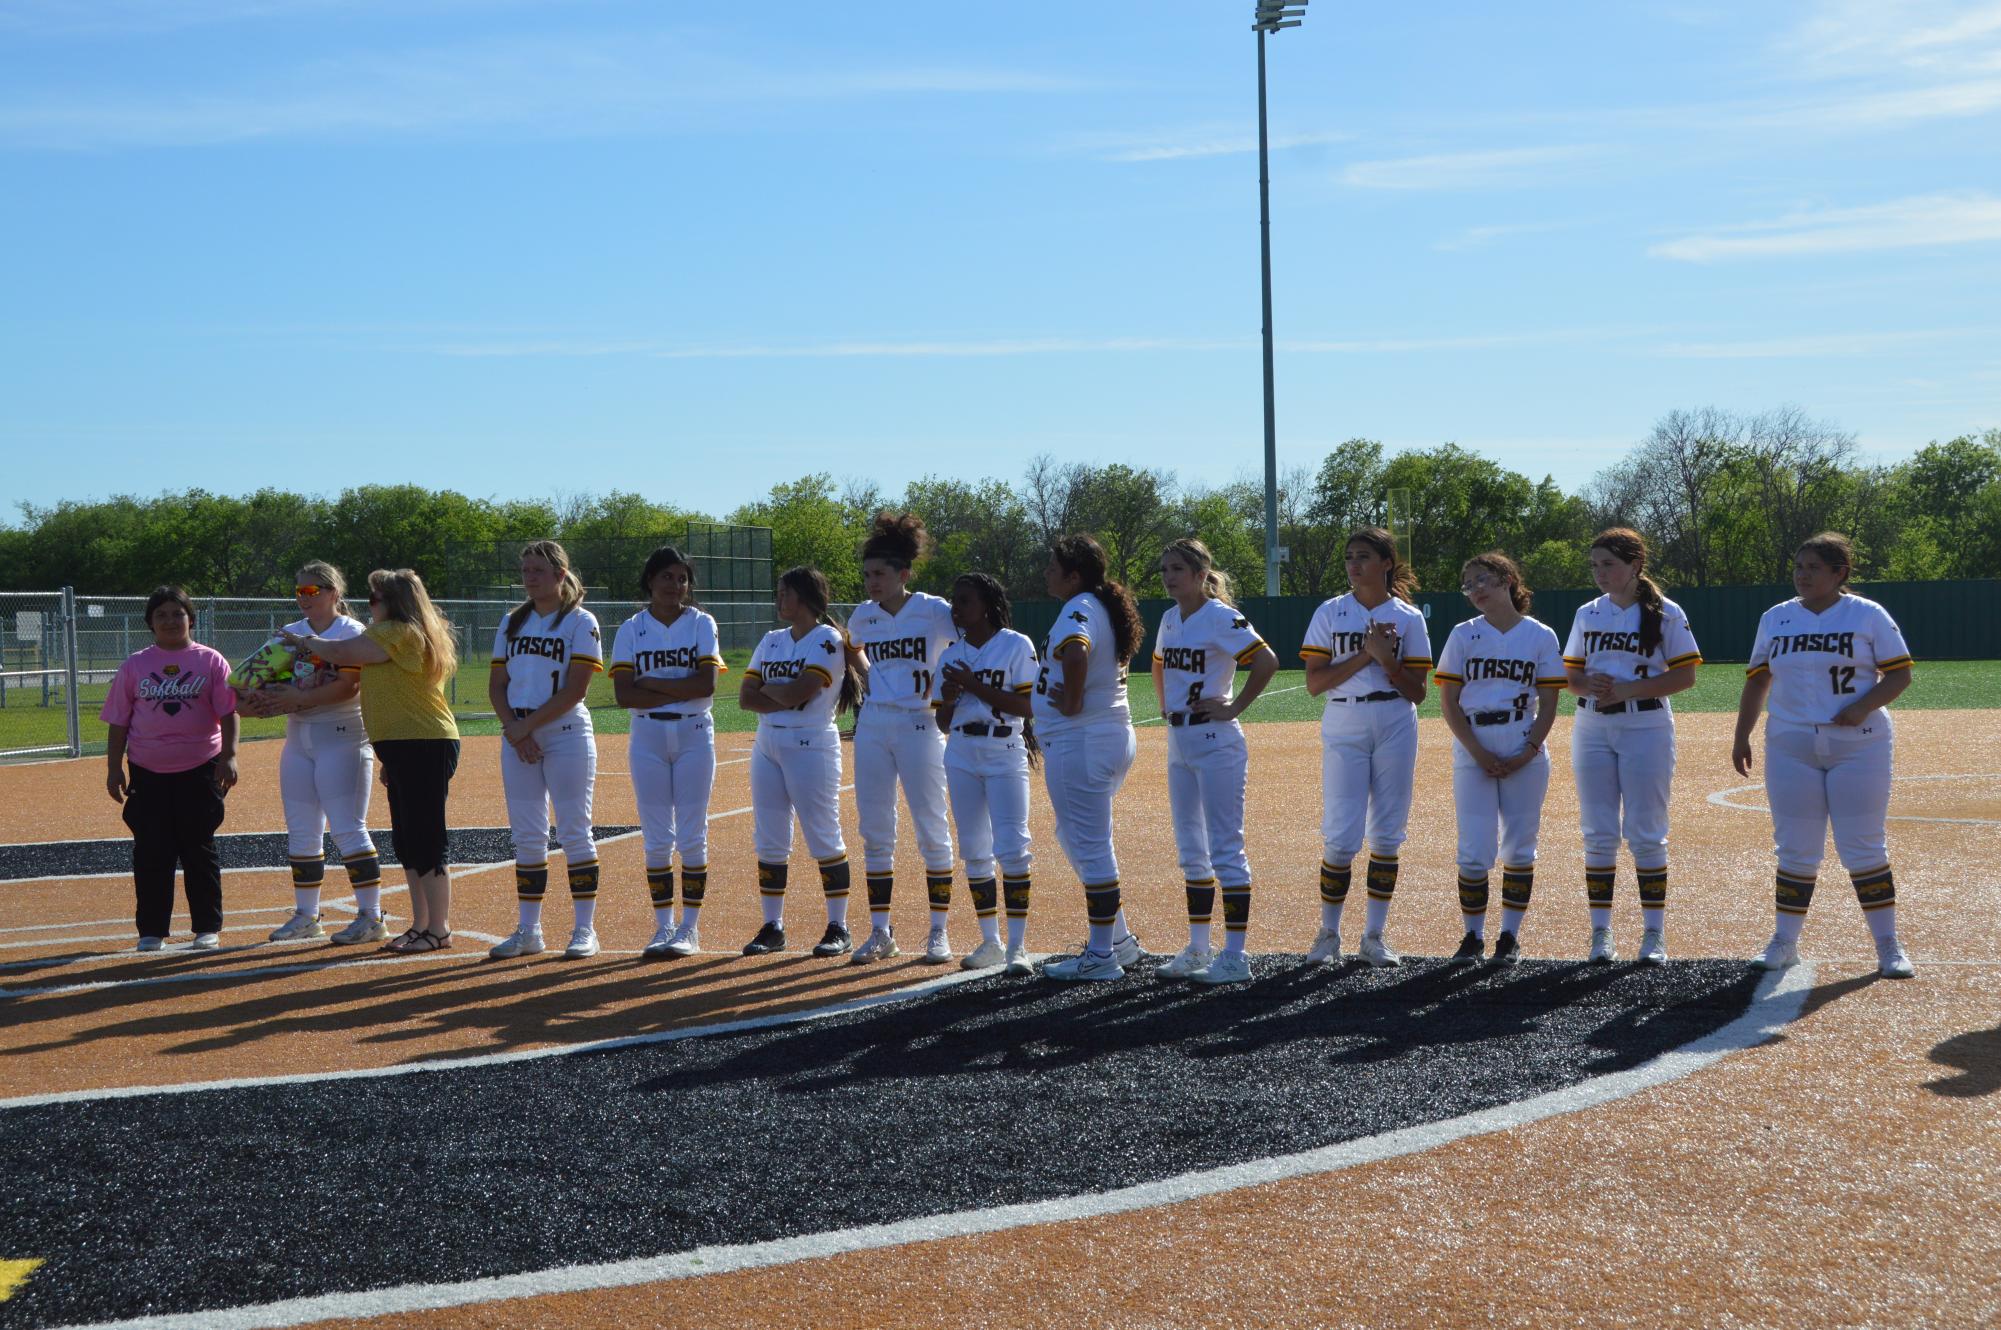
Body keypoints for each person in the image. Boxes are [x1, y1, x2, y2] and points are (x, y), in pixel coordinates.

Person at [1733, 532, 1915, 978]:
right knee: (1795, 849)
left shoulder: (1866, 614)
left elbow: (1899, 675)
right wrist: (1742, 735)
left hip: (1859, 744)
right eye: (1799, 566)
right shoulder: (1776, 618)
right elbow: (1758, 681)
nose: (1803, 574)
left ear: (1840, 573)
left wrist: (1861, 706)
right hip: (1791, 743)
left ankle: (1888, 945)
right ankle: (1784, 941)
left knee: (1864, 845)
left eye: (1814, 567)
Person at [281, 569, 459, 954]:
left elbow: (342, 653)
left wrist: (303, 640)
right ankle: (421, 925)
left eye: (374, 599)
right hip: (403, 745)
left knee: (426, 839)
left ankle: (438, 928)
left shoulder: (396, 631)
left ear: (393, 603)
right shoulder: (394, 632)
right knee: (408, 840)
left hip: (423, 742)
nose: (369, 605)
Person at [1563, 529, 1701, 965]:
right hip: (1591, 726)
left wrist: (1628, 689)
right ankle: (1601, 934)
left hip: (1646, 725)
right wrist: (1587, 683)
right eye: (1595, 565)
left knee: (1646, 830)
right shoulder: (1588, 613)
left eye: (1609, 564)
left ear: (1636, 565)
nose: (1601, 573)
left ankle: (1653, 933)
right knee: (1599, 831)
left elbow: (1685, 676)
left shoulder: (1665, 612)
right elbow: (1570, 678)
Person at [1297, 528, 1431, 968]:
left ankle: (1374, 935)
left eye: (1364, 556)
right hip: (1344, 717)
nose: (1354, 564)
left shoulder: (1408, 617)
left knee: (1389, 832)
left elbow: (1418, 692)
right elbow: (1315, 683)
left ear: (1386, 563)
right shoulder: (1330, 612)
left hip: (1395, 718)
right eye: (1350, 557)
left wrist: (1388, 660)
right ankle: (1328, 933)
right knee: (1340, 834)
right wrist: (1367, 655)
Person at [1151, 538, 1279, 985]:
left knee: (1226, 847)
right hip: (1179, 739)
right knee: (1191, 849)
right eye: (1165, 569)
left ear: (1202, 574)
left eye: (1178, 569)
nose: (1169, 577)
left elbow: (1266, 661)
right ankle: (1198, 947)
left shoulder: (1221, 616)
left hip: (1215, 739)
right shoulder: (1170, 618)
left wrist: (1234, 706)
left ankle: (1236, 956)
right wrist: (1166, 703)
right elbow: (1158, 663)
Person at [237, 562, 387, 945]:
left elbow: (347, 688)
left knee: (348, 828)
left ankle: (371, 916)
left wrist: (296, 697)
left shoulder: (351, 632)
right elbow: (250, 680)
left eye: (312, 591)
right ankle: (307, 915)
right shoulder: (291, 633)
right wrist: (252, 700)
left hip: (342, 736)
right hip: (299, 737)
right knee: (302, 832)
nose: (303, 598)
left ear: (334, 593)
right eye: (299, 591)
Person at [1434, 552, 1568, 965]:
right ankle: (1472, 936)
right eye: (1468, 584)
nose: (1474, 590)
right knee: (1474, 848)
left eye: (1482, 581)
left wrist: (1527, 751)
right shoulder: (1462, 634)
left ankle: (1509, 936)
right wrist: (1477, 751)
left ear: (1508, 580)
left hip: (1522, 737)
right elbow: (1449, 701)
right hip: (1473, 739)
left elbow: (1549, 703)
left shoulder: (1540, 635)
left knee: (1520, 847)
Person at [843, 513, 960, 964]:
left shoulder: (932, 609)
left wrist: (946, 678)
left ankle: (938, 931)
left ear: (903, 575)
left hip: (920, 726)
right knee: (875, 830)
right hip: (873, 725)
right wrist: (868, 676)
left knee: (932, 828)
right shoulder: (864, 616)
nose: (871, 581)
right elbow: (852, 645)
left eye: (880, 574)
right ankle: (879, 931)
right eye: (867, 574)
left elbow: (970, 640)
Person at [102, 586, 239, 952]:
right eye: (161, 615)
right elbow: (118, 722)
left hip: (201, 768)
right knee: (151, 851)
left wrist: (229, 755)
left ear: (190, 619)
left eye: (177, 614)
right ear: (150, 623)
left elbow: (228, 712)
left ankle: (206, 927)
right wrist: (115, 768)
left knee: (199, 848)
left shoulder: (210, 660)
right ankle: (151, 930)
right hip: (147, 770)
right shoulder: (135, 665)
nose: (170, 621)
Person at [1035, 534, 1147, 981]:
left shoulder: (1078, 607)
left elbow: (1077, 650)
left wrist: (1071, 701)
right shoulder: (1098, 603)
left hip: (1082, 740)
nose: (1047, 572)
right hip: (1103, 736)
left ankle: (1102, 956)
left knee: (1093, 844)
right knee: (1073, 835)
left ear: (1074, 574)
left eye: (1053, 565)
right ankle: (1118, 940)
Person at [486, 541, 605, 961]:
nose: (530, 577)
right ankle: (528, 930)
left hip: (565, 731)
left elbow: (577, 689)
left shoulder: (580, 621)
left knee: (574, 831)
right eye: (526, 570)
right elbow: (496, 686)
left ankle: (584, 930)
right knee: (528, 837)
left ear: (560, 574)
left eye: (538, 569)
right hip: (519, 733)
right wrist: (515, 730)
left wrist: (525, 728)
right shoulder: (511, 622)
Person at [738, 566, 864, 958]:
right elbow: (746, 697)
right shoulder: (771, 639)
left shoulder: (827, 639)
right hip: (768, 743)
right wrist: (785, 694)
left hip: (811, 744)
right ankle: (773, 926)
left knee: (824, 834)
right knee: (770, 838)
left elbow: (800, 694)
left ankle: (838, 926)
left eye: (785, 592)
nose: (779, 599)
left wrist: (777, 692)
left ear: (807, 598)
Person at [609, 545, 723, 960]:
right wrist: (679, 685)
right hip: (647, 736)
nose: (676, 585)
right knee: (657, 838)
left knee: (693, 834)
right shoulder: (631, 628)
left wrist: (651, 685)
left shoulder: (701, 623)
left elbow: (706, 686)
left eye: (682, 578)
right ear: (650, 582)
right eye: (666, 577)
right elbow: (623, 695)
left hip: (694, 733)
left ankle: (689, 929)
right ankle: (663, 926)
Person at [934, 573, 1039, 976]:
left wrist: (973, 684)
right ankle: (990, 941)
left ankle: (1017, 946)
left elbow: (1027, 706)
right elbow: (943, 722)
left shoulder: (1016, 645)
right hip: (960, 751)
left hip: (1003, 749)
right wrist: (950, 698)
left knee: (1013, 847)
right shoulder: (949, 655)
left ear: (988, 604)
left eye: (964, 601)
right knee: (974, 850)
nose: (956, 610)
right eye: (954, 602)